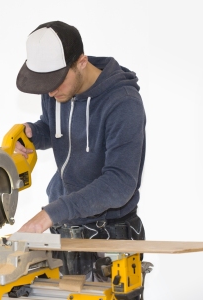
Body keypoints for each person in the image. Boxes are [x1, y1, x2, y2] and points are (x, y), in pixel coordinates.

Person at [15, 20, 146, 281]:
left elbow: (119, 184)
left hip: (109, 235)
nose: (50, 92)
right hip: (66, 228)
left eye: (56, 82)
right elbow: (56, 127)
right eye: (44, 84)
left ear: (81, 62)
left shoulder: (124, 104)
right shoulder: (55, 89)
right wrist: (35, 134)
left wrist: (49, 214)